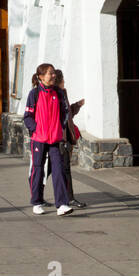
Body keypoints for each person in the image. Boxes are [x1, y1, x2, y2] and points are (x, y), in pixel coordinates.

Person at [23, 63, 73, 215]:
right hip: (39, 139)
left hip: (55, 139)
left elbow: (65, 113)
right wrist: (36, 129)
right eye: (50, 73)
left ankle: (62, 204)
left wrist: (60, 126)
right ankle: (37, 202)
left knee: (58, 169)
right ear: (41, 77)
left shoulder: (59, 93)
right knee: (38, 170)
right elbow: (27, 117)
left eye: (53, 73)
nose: (53, 76)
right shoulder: (34, 94)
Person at [53, 69, 86, 209]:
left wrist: (77, 105)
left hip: (64, 137)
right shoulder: (54, 95)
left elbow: (68, 113)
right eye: (63, 80)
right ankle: (67, 199)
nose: (64, 82)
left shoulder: (62, 93)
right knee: (61, 169)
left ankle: (67, 197)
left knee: (61, 168)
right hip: (59, 137)